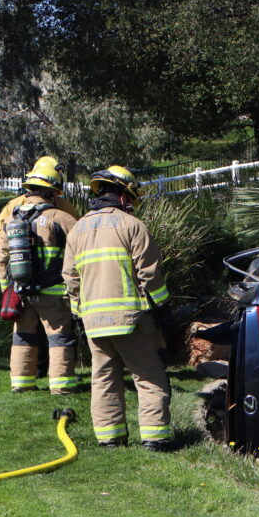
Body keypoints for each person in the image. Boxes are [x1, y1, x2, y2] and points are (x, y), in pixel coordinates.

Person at [62, 165, 173, 451]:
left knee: (104, 378)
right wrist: (161, 304)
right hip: (130, 319)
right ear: (124, 196)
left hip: (93, 322)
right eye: (132, 199)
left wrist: (79, 311)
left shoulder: (77, 229)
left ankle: (110, 438)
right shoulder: (131, 226)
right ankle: (155, 437)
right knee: (148, 376)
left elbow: (70, 278)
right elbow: (149, 273)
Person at [0, 158, 80, 378]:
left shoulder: (13, 216)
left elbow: (2, 256)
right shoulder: (61, 217)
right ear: (52, 191)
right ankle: (61, 385)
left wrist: (7, 289)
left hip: (21, 291)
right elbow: (83, 246)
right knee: (59, 336)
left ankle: (20, 382)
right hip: (54, 293)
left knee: (23, 336)